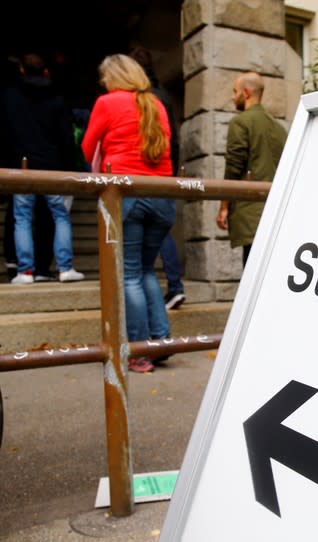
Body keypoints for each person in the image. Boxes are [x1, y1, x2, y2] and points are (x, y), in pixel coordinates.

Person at [81, 54, 174, 373]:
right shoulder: (156, 104)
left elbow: (87, 146)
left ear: (114, 78)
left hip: (127, 193)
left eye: (105, 78)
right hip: (162, 196)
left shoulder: (107, 103)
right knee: (147, 270)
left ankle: (138, 351)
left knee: (130, 274)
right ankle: (161, 340)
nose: (103, 84)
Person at [0, 53, 84, 284]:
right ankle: (65, 268)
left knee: (23, 217)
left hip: (22, 165)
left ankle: (25, 271)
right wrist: (69, 166)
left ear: (22, 71)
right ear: (46, 71)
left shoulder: (10, 97)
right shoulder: (57, 99)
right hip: (52, 165)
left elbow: (5, 132)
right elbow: (66, 137)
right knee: (59, 215)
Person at [129, 47, 185, 310]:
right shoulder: (161, 96)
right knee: (162, 235)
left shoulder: (138, 99)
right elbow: (173, 139)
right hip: (162, 175)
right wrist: (170, 173)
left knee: (140, 265)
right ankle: (175, 286)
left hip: (140, 176)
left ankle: (173, 287)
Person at [216, 72, 287, 266]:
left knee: (252, 273)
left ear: (246, 93)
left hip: (251, 212)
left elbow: (233, 167)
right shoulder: (279, 128)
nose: (232, 97)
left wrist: (224, 206)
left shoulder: (241, 122)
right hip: (276, 210)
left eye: (234, 91)